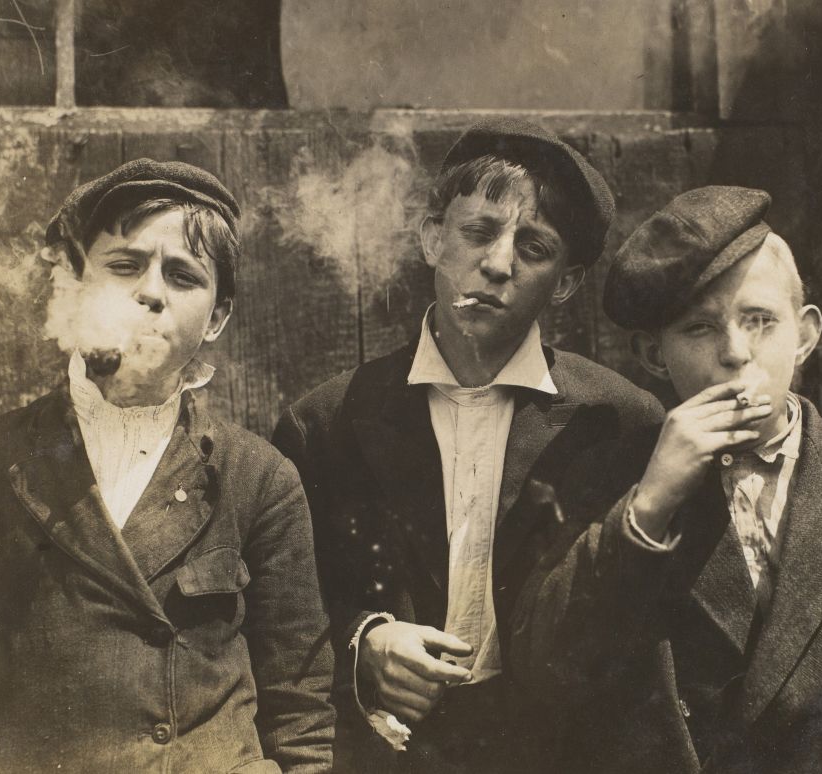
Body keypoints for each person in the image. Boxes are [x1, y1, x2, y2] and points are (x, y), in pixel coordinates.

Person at [508, 186, 822, 773]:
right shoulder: (603, 486)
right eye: (699, 328)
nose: (735, 353)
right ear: (652, 355)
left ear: (806, 335)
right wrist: (648, 507)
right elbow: (543, 673)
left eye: (760, 320)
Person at [272, 118, 662, 773]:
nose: (499, 262)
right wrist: (364, 641)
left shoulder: (620, 425)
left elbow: (636, 629)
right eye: (477, 232)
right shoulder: (329, 422)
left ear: (564, 283)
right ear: (431, 239)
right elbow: (284, 610)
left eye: (534, 248)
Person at [0, 159, 336, 773]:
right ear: (74, 282)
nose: (151, 291)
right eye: (124, 265)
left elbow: (299, 706)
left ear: (217, 317)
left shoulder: (258, 478)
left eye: (183, 276)